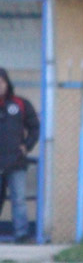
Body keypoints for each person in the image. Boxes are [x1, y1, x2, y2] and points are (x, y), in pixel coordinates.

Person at [0, 67, 40, 243]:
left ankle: (21, 234)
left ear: (7, 84)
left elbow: (34, 127)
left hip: (16, 162)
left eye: (1, 82)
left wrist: (27, 146)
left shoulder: (20, 104)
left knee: (19, 200)